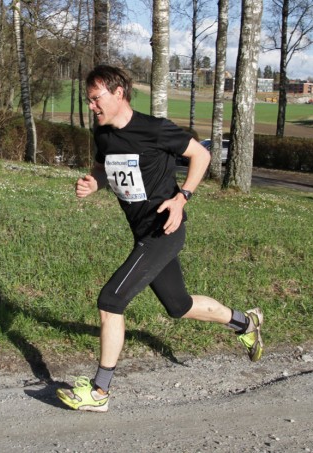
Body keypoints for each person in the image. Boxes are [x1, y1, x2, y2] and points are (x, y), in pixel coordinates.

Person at [56, 65, 263, 413]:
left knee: (111, 301)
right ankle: (246, 322)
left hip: (163, 231)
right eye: (89, 100)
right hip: (142, 233)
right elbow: (103, 168)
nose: (92, 106)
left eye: (96, 99)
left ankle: (99, 391)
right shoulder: (104, 134)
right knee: (178, 306)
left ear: (118, 93)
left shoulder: (155, 129)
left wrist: (183, 198)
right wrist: (95, 183)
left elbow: (202, 155)